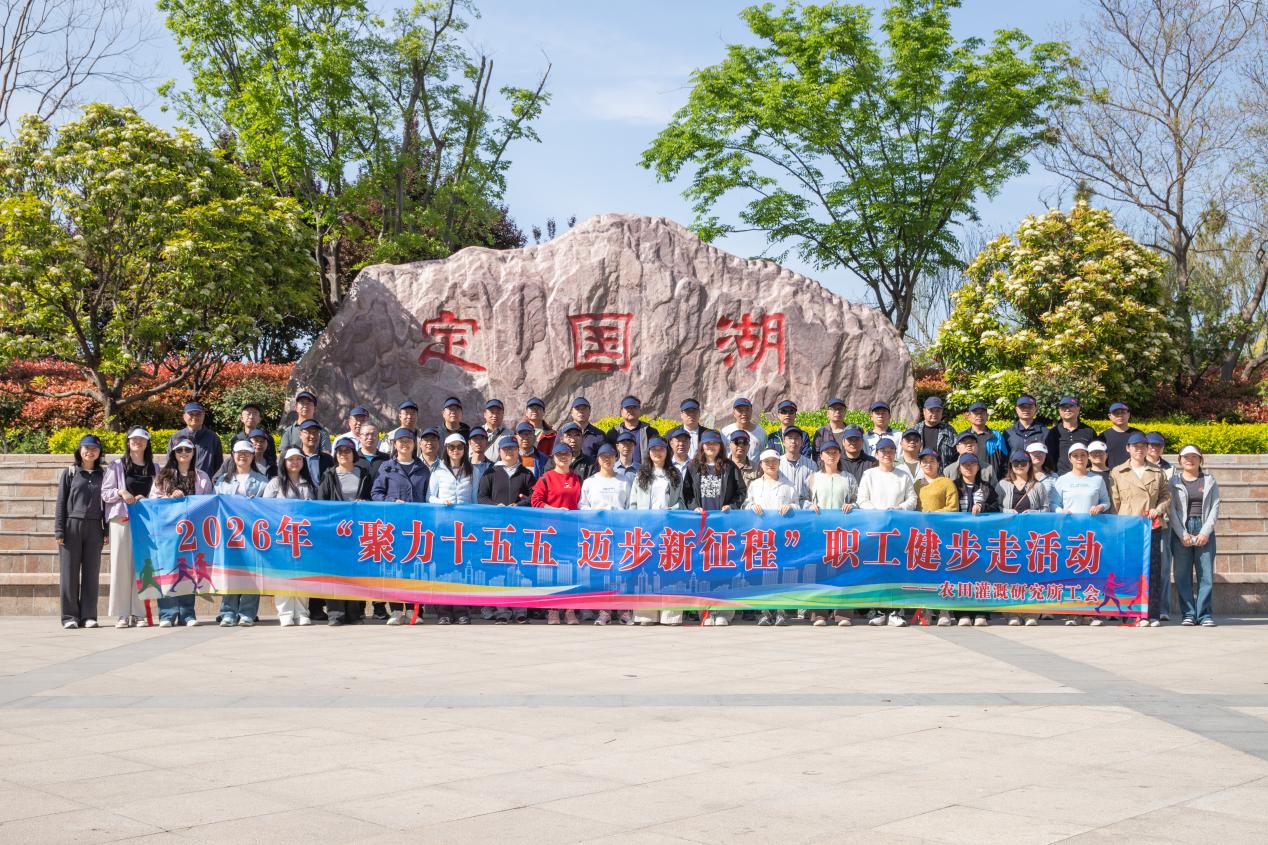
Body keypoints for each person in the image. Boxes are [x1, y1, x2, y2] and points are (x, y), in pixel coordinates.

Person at [683, 431, 747, 625]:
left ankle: (724, 613)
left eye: (715, 443)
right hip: (701, 528)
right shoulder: (693, 467)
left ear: (720, 446)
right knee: (702, 570)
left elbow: (741, 491)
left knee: (724, 569)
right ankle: (705, 612)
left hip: (723, 528)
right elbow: (686, 493)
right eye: (707, 443)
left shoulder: (729, 467)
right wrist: (694, 507)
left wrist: (732, 506)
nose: (711, 447)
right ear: (702, 446)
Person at [371, 428, 431, 625]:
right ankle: (396, 610)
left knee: (415, 568)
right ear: (395, 445)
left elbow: (429, 497)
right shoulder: (387, 468)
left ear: (414, 444)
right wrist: (391, 502)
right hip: (393, 527)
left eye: (408, 441)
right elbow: (376, 493)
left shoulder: (422, 469)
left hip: (416, 528)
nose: (405, 444)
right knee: (394, 568)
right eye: (401, 441)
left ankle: (415, 611)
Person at [1110, 432, 1170, 627]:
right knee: (1128, 570)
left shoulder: (1157, 471)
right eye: (1135, 446)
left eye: (1143, 446)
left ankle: (1151, 613)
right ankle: (1130, 613)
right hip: (1128, 528)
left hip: (1151, 527)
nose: (1139, 450)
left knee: (1152, 570)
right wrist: (1119, 524)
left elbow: (1166, 496)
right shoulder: (1118, 472)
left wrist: (1157, 510)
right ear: (1128, 448)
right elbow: (1115, 502)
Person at [153, 437, 213, 627]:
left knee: (189, 570)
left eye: (188, 450)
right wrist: (169, 497)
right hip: (168, 531)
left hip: (192, 531)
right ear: (173, 453)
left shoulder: (202, 477)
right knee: (167, 569)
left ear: (193, 453)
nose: (184, 453)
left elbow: (209, 502)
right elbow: (152, 501)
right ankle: (167, 614)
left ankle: (187, 613)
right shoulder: (163, 476)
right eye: (179, 450)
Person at [102, 428, 158, 628]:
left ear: (147, 443)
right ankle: (122, 613)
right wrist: (121, 492)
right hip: (122, 519)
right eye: (134, 439)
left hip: (146, 522)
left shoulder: (154, 467)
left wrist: (147, 499)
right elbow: (105, 493)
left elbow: (159, 493)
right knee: (121, 566)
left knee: (143, 566)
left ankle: (139, 613)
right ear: (128, 442)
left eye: (142, 439)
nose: (137, 442)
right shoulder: (117, 465)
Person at [857, 437, 916, 626]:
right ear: (876, 454)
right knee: (877, 570)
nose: (887, 454)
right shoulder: (869, 474)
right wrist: (877, 512)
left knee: (897, 570)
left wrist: (900, 508)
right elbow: (862, 499)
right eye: (883, 451)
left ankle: (896, 612)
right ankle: (879, 611)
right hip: (875, 530)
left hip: (898, 531)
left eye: (891, 451)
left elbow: (912, 499)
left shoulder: (903, 475)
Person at [317, 437, 374, 626]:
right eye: (340, 452)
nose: (343, 455)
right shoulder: (329, 474)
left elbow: (372, 497)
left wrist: (365, 503)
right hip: (334, 531)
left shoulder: (363, 474)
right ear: (336, 455)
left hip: (357, 531)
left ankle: (354, 614)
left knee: (355, 573)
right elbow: (321, 502)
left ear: (354, 454)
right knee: (334, 573)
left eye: (347, 451)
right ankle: (335, 614)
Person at [629, 438, 686, 626]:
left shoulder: (674, 473)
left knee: (671, 569)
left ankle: (672, 615)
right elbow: (633, 503)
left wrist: (673, 510)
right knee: (646, 571)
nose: (657, 453)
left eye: (661, 449)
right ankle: (645, 615)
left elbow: (682, 501)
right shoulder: (641, 474)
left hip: (669, 528)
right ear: (648, 453)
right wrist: (637, 524)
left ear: (667, 452)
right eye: (653, 449)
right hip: (647, 529)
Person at [1054, 443, 1111, 627]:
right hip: (1069, 534)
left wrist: (1100, 507)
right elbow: (1053, 503)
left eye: (1083, 455)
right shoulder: (1062, 480)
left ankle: (1090, 613)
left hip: (1092, 534)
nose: (1080, 459)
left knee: (1091, 573)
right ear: (1070, 459)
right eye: (1076, 455)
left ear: (1088, 458)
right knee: (1071, 573)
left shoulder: (1097, 479)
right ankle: (1072, 613)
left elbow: (1106, 501)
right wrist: (1060, 511)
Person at [214, 441, 270, 627]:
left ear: (253, 456)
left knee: (252, 572)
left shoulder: (262, 481)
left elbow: (268, 506)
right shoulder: (223, 480)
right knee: (230, 571)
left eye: (247, 453)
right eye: (239, 452)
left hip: (254, 533)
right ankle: (228, 612)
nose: (243, 456)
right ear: (232, 455)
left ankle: (247, 612)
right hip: (229, 533)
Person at [55, 434, 107, 630]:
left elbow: (107, 505)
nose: (90, 452)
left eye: (94, 449)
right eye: (86, 448)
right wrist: (59, 530)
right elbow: (61, 503)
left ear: (99, 452)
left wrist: (107, 529)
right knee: (69, 573)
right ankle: (69, 616)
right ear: (80, 450)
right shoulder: (69, 473)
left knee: (91, 573)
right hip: (71, 526)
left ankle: (88, 616)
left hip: (95, 527)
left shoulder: (104, 475)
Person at [263, 448, 318, 627]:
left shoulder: (308, 484)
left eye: (298, 459)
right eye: (290, 459)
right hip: (281, 537)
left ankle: (301, 612)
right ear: (284, 462)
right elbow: (264, 508)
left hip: (303, 537)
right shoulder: (275, 483)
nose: (295, 462)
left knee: (302, 575)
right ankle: (285, 612)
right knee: (282, 575)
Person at [745, 449, 801, 627]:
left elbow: (798, 505)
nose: (771, 465)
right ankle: (763, 612)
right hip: (761, 536)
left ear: (779, 463)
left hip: (781, 536)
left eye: (774, 461)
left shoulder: (788, 485)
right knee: (762, 574)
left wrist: (791, 507)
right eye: (767, 462)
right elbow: (746, 505)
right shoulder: (755, 485)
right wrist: (752, 506)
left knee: (781, 573)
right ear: (761, 464)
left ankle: (781, 611)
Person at [579, 444, 633, 625]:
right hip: (598, 534)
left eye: (610, 456)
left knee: (622, 571)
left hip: (620, 533)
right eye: (603, 457)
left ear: (615, 458)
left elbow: (630, 506)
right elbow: (582, 506)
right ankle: (604, 612)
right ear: (598, 460)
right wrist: (596, 515)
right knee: (602, 573)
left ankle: (624, 611)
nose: (607, 460)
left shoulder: (624, 481)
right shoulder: (590, 482)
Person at [806, 439, 858, 627]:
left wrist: (852, 505)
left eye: (835, 452)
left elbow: (857, 500)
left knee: (843, 571)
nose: (831, 455)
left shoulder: (848, 478)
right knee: (819, 572)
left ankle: (843, 614)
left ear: (840, 455)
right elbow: (803, 499)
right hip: (819, 532)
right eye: (827, 452)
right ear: (821, 456)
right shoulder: (813, 478)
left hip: (842, 531)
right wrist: (809, 505)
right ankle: (819, 614)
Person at [531, 442, 584, 624]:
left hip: (572, 532)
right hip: (551, 532)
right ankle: (552, 610)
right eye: (559, 454)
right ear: (553, 457)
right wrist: (556, 510)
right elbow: (536, 502)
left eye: (566, 454)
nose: (563, 457)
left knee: (571, 571)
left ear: (572, 457)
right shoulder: (546, 478)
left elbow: (582, 502)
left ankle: (570, 610)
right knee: (551, 570)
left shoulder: (577, 479)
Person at [997, 450, 1050, 627]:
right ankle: (1011, 613)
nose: (1020, 466)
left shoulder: (1038, 486)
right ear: (1011, 466)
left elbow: (1046, 509)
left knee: (1031, 575)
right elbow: (995, 507)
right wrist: (1008, 512)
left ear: (1029, 465)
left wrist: (1034, 513)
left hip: (1031, 539)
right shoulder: (1002, 485)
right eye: (1016, 463)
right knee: (1009, 575)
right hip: (1008, 538)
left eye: (1023, 463)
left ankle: (1031, 612)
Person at [1170, 445, 1220, 627]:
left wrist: (1205, 532)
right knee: (1182, 574)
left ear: (1200, 460)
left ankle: (1204, 614)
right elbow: (1171, 509)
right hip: (1181, 528)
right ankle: (1189, 614)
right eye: (1186, 457)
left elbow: (1215, 507)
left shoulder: (1209, 481)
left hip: (1203, 527)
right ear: (1180, 460)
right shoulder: (1173, 482)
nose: (1189, 460)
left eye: (1194, 457)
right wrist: (1181, 533)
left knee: (1205, 574)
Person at [429, 433, 475, 625]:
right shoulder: (438, 470)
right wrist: (442, 502)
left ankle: (461, 610)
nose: (455, 450)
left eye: (459, 447)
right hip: (443, 526)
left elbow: (474, 499)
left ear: (465, 449)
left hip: (464, 527)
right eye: (451, 447)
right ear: (446, 450)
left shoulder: (472, 471)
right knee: (443, 568)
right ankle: (444, 611)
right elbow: (429, 497)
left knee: (461, 569)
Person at [951, 454, 997, 627]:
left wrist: (983, 507)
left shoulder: (986, 487)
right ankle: (962, 613)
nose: (969, 467)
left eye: (972, 464)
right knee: (959, 575)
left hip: (981, 538)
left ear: (978, 467)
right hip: (958, 538)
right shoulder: (953, 486)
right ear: (959, 467)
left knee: (982, 575)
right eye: (965, 464)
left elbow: (996, 507)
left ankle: (981, 612)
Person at [1146, 431, 1175, 619]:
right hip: (1140, 522)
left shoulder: (1170, 469)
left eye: (1158, 445)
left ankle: (1163, 608)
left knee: (1163, 566)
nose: (1154, 448)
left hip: (1162, 522)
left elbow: (1168, 495)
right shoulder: (1137, 466)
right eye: (1151, 445)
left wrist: (1158, 510)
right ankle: (1140, 606)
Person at [168, 401, 223, 478]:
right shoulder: (176, 437)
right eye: (191, 414)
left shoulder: (213, 438)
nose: (194, 417)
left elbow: (219, 466)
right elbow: (170, 464)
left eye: (198, 414)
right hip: (181, 482)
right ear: (184, 416)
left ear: (203, 416)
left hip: (206, 483)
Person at [1045, 396, 1096, 474]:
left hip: (1084, 476)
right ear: (1059, 411)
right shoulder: (1053, 433)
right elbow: (1048, 457)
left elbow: (1095, 455)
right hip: (1060, 477)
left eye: (1070, 406)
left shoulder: (1089, 431)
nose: (1067, 409)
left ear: (1078, 409)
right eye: (1064, 407)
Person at [961, 400, 1008, 478]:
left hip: (992, 480)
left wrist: (1004, 479)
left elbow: (1005, 461)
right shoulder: (963, 436)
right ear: (969, 416)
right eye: (976, 413)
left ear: (987, 416)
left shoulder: (996, 436)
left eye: (982, 413)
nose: (979, 416)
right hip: (970, 480)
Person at [279, 389, 332, 454]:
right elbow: (283, 455)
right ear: (296, 407)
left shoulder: (322, 432)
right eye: (302, 403)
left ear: (315, 409)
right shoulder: (288, 432)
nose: (305, 406)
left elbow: (326, 455)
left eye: (308, 403)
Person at [604, 395, 652, 465]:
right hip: (619, 471)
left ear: (639, 411)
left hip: (643, 471)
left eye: (634, 407)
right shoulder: (613, 433)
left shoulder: (650, 432)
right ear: (621, 412)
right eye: (627, 408)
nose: (631, 410)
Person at [229, 402, 276, 468]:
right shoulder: (236, 439)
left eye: (255, 414)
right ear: (242, 418)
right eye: (248, 414)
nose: (251, 417)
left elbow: (272, 460)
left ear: (259, 419)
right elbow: (233, 461)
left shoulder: (267, 438)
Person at [720, 397, 766, 463]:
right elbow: (721, 454)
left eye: (747, 410)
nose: (744, 413)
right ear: (734, 413)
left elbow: (762, 454)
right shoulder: (725, 432)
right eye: (740, 410)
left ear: (751, 411)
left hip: (753, 469)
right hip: (730, 468)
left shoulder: (761, 432)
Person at [776, 427, 814, 506]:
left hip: (805, 508)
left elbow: (814, 490)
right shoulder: (776, 463)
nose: (793, 441)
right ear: (784, 442)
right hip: (782, 507)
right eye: (790, 438)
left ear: (802, 442)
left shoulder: (811, 464)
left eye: (796, 438)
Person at [915, 397, 957, 466]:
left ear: (942, 411)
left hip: (944, 471)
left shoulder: (949, 431)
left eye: (938, 411)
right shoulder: (915, 431)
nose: (935, 414)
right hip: (921, 471)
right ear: (924, 411)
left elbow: (957, 454)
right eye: (931, 410)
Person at [1101, 403, 1141, 468]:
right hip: (1111, 473)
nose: (1120, 415)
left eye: (1123, 412)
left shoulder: (1138, 435)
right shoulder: (1103, 436)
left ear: (1128, 415)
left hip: (1134, 472)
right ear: (1109, 416)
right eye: (1116, 413)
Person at [1027, 442, 1062, 511]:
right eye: (1034, 453)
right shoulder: (1021, 475)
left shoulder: (1053, 477)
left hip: (1046, 515)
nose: (1038, 455)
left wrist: (1059, 510)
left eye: (1041, 453)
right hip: (1025, 515)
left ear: (1046, 455)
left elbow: (1056, 501)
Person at [469, 427, 492, 492]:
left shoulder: (493, 468)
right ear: (469, 442)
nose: (478, 442)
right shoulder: (463, 466)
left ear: (487, 442)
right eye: (475, 439)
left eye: (482, 439)